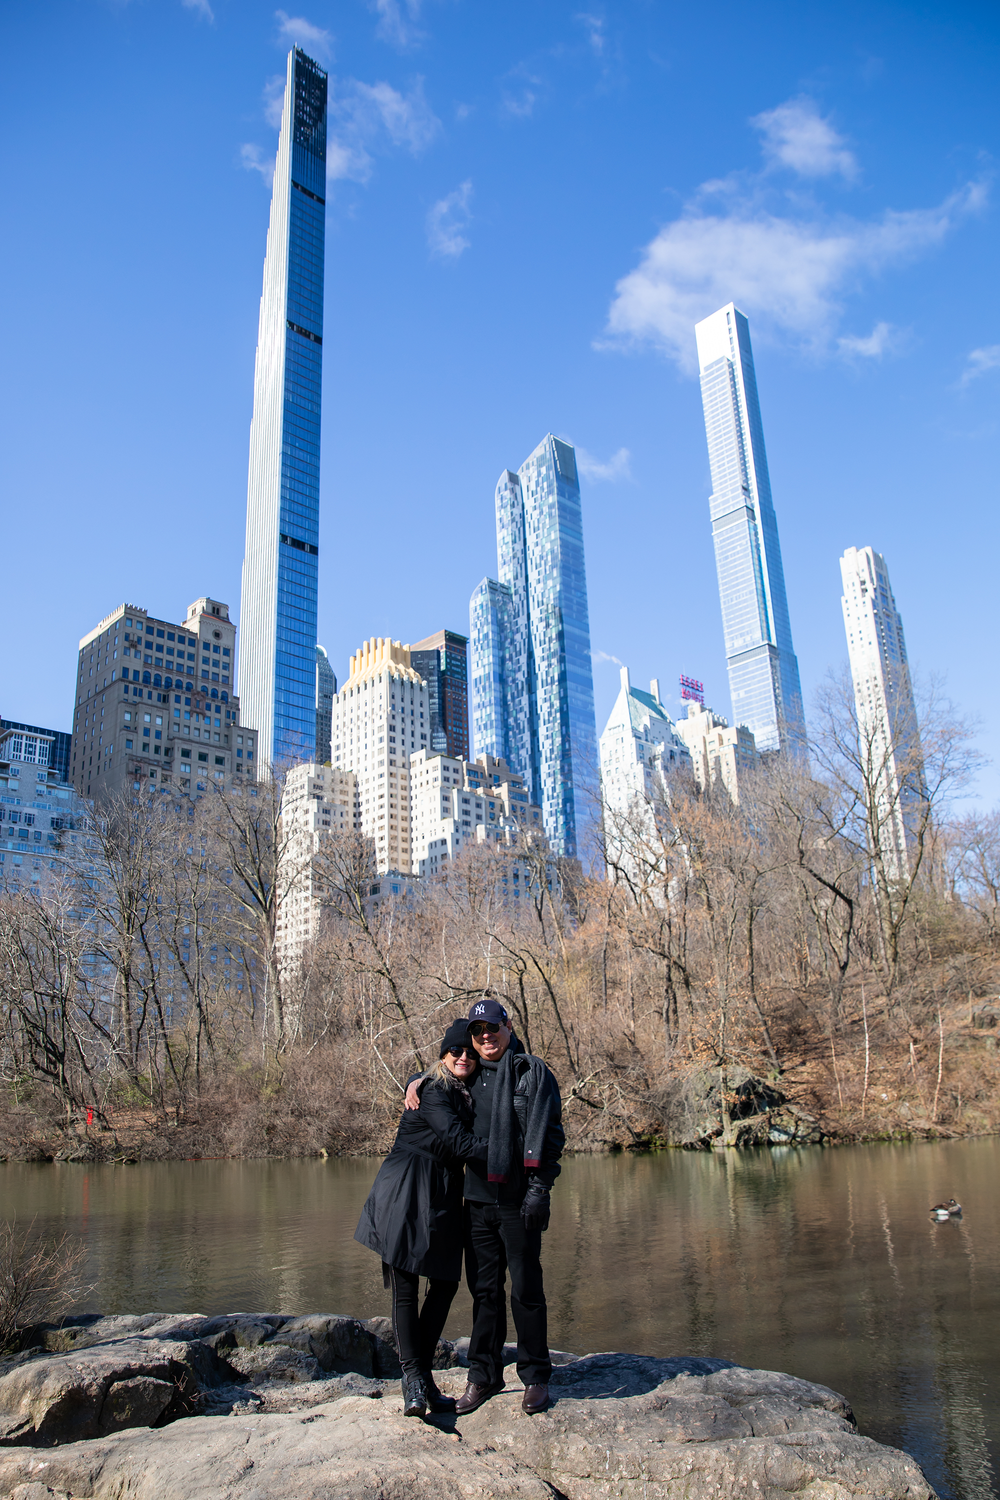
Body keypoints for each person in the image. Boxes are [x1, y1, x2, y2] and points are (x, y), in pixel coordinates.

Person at [405, 994, 564, 1416]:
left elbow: (551, 1138)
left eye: (492, 1027)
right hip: (474, 1202)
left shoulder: (531, 1073)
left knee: (527, 1290)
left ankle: (535, 1376)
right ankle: (484, 1375)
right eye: (477, 1031)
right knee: (484, 1293)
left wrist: (539, 1189)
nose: (485, 1036)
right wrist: (415, 1079)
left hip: (518, 1201)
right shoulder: (467, 1075)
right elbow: (441, 1069)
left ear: (507, 1027)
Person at [354, 1020, 487, 1419]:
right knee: (406, 1290)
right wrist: (512, 1153)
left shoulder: (467, 1090)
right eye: (455, 1052)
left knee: (445, 1284)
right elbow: (458, 1142)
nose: (463, 1057)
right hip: (406, 1190)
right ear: (442, 1056)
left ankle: (422, 1375)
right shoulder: (431, 1089)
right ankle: (414, 1379)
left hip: (444, 1193)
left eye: (469, 1052)